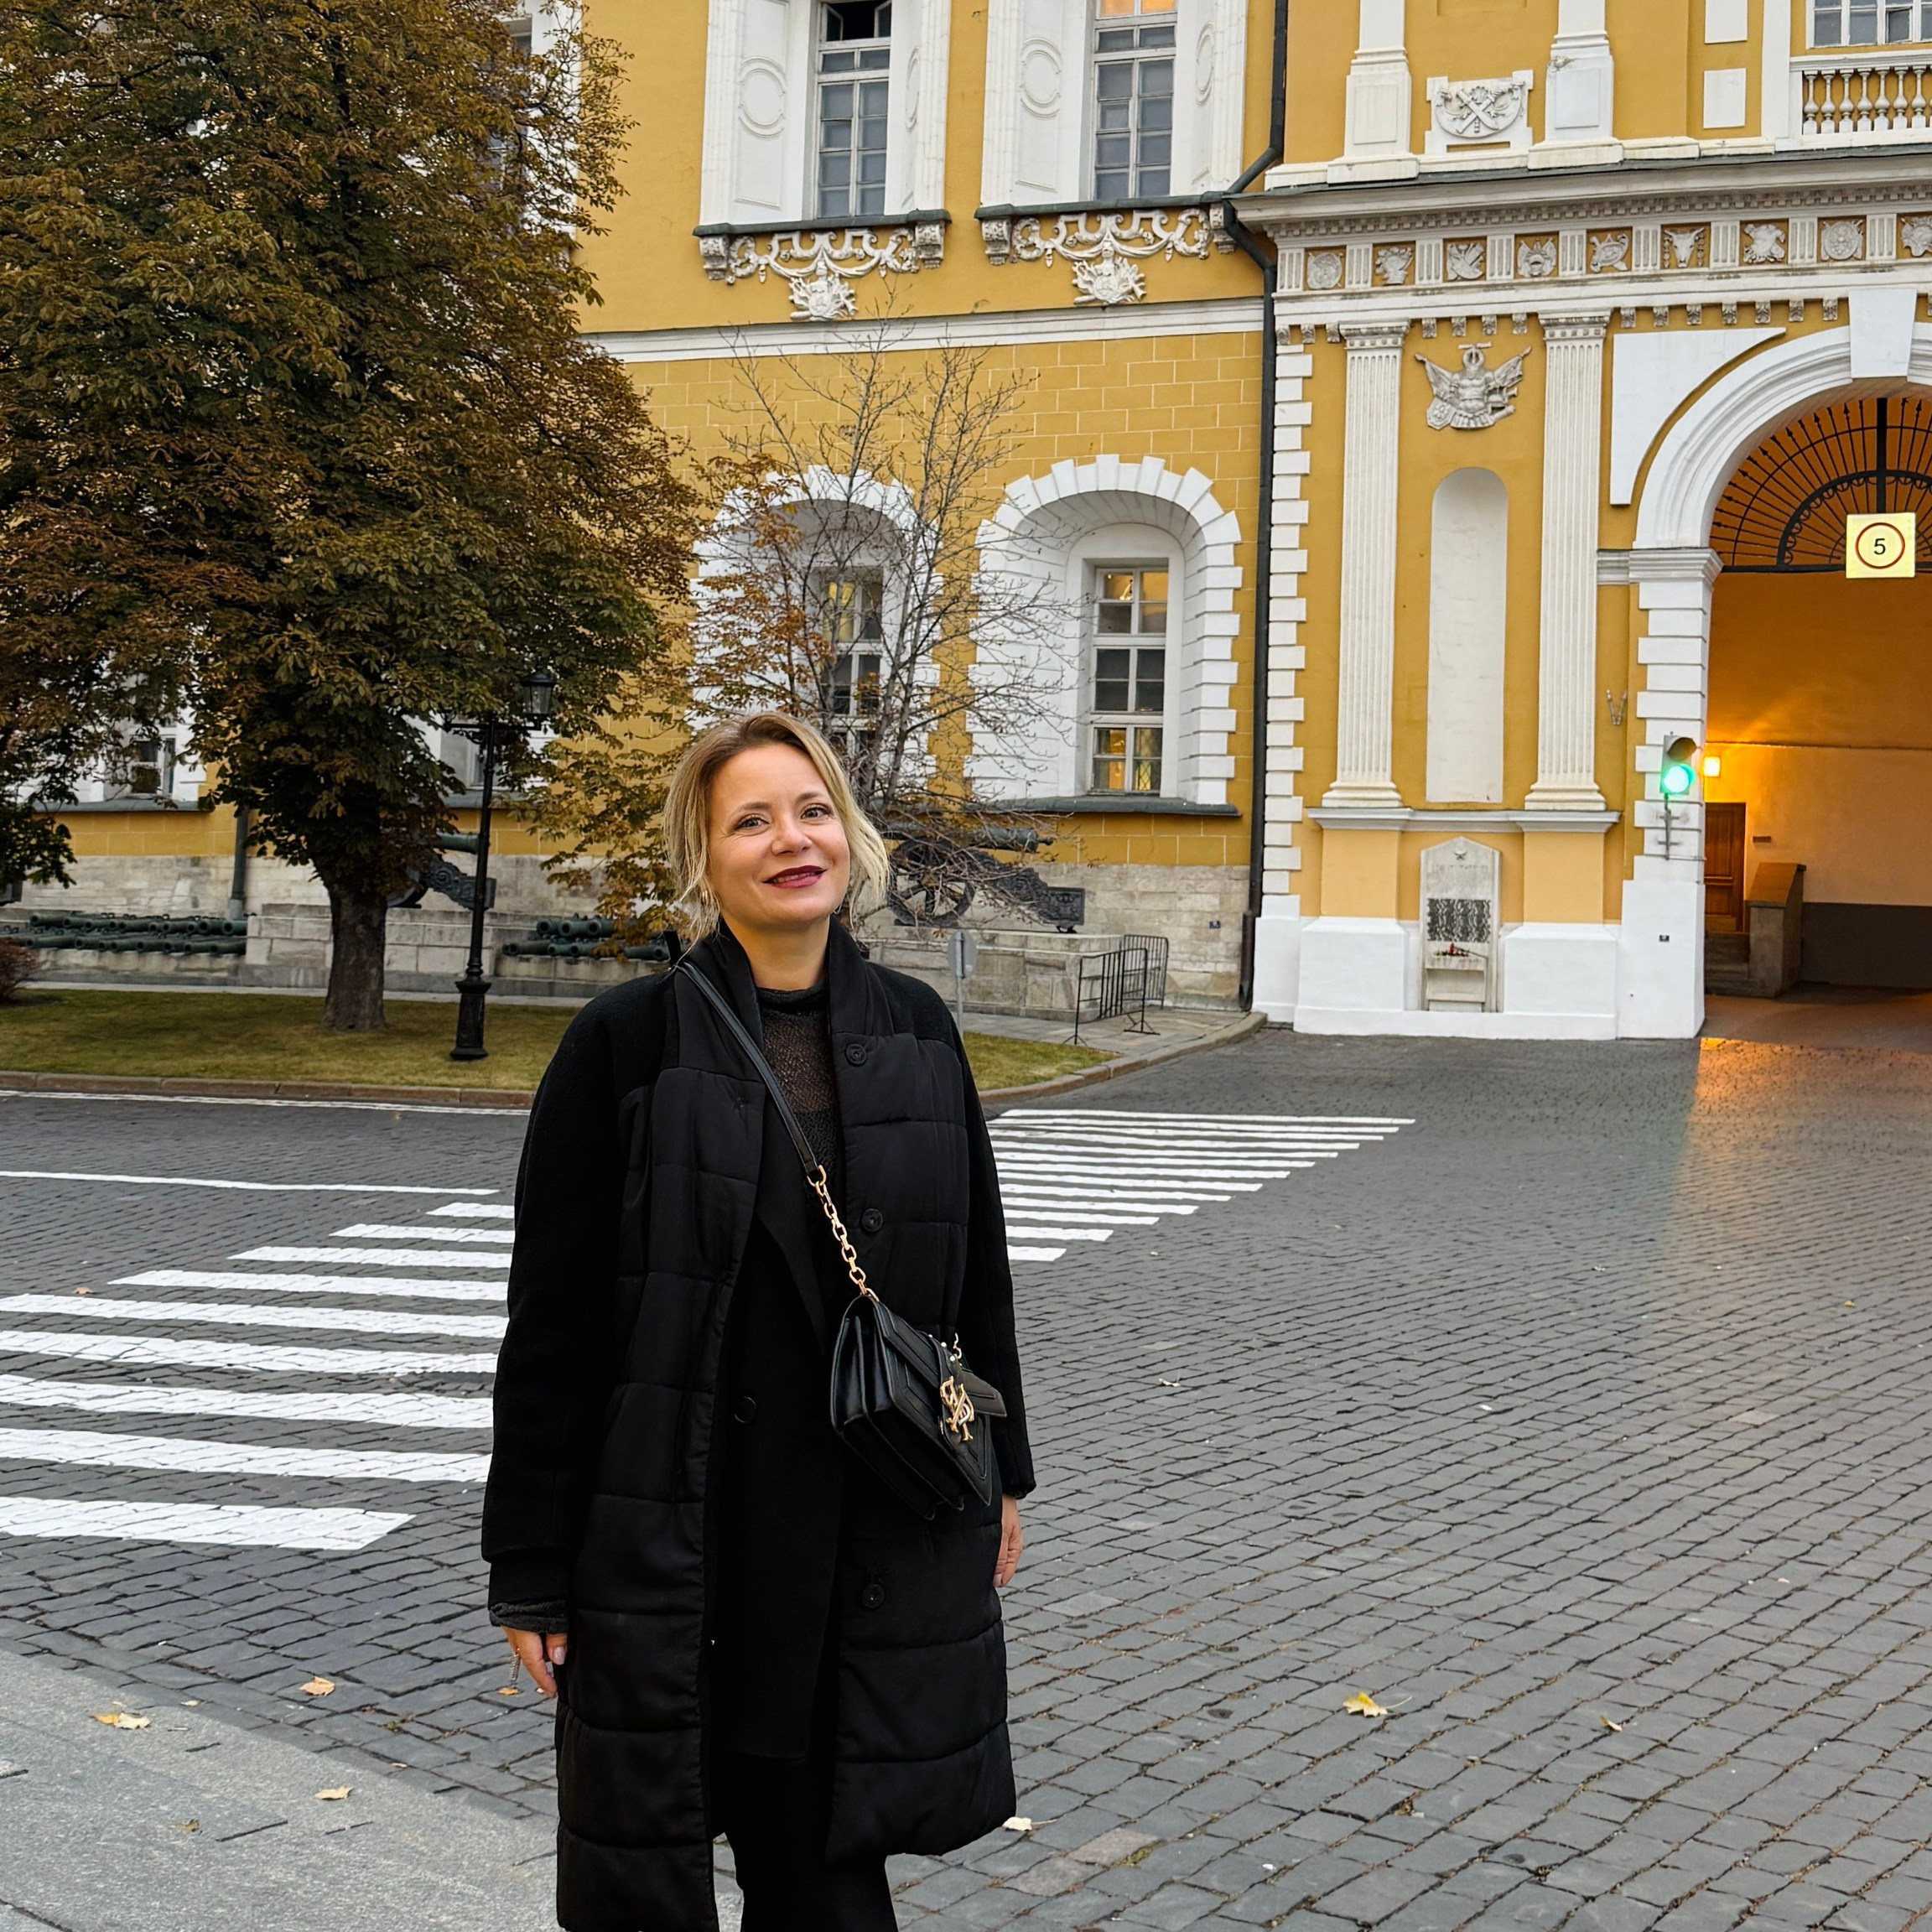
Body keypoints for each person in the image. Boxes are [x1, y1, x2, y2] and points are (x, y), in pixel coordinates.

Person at [484, 711, 1033, 1931]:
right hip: (683, 1528)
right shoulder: (624, 1044)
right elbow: (553, 1326)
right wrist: (529, 1568)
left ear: (849, 831)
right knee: (657, 1861)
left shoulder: (916, 1031)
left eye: (813, 809)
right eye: (751, 820)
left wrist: (1002, 1469)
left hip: (861, 1530)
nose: (792, 840)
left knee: (828, 1870)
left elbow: (974, 1276)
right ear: (705, 855)